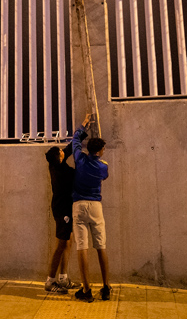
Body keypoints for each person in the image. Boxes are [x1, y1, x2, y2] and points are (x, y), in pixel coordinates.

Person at [71, 113, 111, 302]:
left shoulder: (80, 159)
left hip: (79, 205)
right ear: (101, 151)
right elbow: (105, 177)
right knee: (101, 246)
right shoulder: (103, 167)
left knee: (82, 247)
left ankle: (86, 289)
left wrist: (84, 125)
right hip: (96, 206)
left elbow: (75, 141)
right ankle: (106, 287)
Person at [44, 142, 79, 293]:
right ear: (59, 158)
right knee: (60, 244)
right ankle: (50, 281)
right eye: (60, 152)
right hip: (63, 211)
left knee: (68, 241)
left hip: (63, 209)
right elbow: (78, 174)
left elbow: (68, 149)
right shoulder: (64, 173)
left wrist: (81, 133)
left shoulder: (54, 164)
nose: (62, 151)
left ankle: (63, 278)